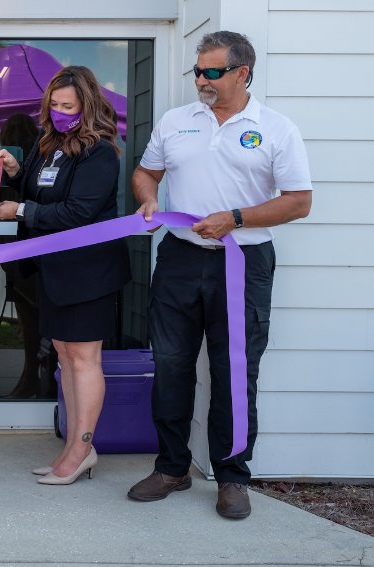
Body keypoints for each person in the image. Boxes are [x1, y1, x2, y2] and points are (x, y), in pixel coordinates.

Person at [127, 31, 312, 519]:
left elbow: (299, 201)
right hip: (180, 259)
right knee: (170, 365)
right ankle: (172, 467)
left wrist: (236, 218)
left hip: (244, 262)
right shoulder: (175, 121)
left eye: (212, 71)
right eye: (198, 71)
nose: (202, 80)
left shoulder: (275, 128)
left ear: (242, 72)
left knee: (235, 372)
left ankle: (232, 477)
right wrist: (148, 197)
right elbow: (147, 173)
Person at [0, 66, 131, 485]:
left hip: (89, 274)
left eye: (67, 106)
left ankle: (82, 449)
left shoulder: (101, 152)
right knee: (66, 358)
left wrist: (23, 211)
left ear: (86, 106)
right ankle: (72, 447)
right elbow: (39, 192)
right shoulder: (48, 145)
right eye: (53, 105)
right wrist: (17, 172)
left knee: (85, 359)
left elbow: (78, 213)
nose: (58, 113)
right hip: (54, 272)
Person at [0, 113, 45, 399]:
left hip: (23, 257)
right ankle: (38, 380)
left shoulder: (30, 167)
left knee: (32, 324)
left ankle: (32, 381)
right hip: (24, 256)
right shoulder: (32, 162)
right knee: (38, 324)